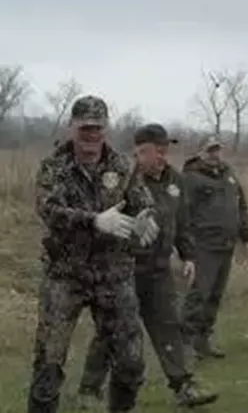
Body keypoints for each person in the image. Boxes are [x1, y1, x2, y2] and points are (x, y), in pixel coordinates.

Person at [27, 95, 160, 413]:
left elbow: (141, 200)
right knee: (49, 362)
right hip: (65, 275)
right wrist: (94, 221)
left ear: (106, 128)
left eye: (97, 128)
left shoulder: (122, 165)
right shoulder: (54, 167)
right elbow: (48, 210)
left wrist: (146, 217)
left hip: (113, 274)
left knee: (130, 361)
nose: (91, 134)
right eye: (85, 127)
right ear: (72, 126)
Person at [77, 124, 219, 408]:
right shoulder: (123, 180)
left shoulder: (175, 181)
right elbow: (104, 222)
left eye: (165, 150)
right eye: (157, 151)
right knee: (112, 330)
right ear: (141, 152)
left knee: (168, 326)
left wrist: (188, 256)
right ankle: (89, 390)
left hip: (159, 270)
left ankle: (183, 386)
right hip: (125, 270)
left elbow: (182, 222)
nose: (163, 156)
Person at [180, 136, 248, 359]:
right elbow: (183, 213)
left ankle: (203, 340)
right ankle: (184, 345)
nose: (215, 155)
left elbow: (240, 207)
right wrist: (187, 246)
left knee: (215, 296)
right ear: (201, 153)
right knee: (199, 295)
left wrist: (247, 237)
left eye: (217, 150)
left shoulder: (229, 174)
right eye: (210, 150)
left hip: (226, 245)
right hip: (204, 246)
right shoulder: (191, 178)